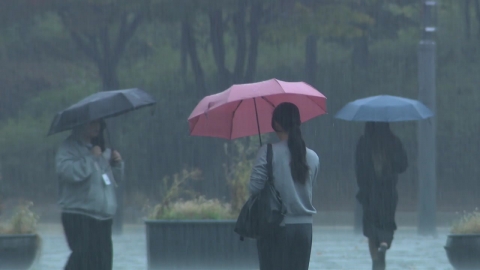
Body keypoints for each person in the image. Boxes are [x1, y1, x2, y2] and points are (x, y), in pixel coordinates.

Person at [249, 102, 320, 270]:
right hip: (304, 229)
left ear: (276, 124)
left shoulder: (267, 152)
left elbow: (254, 188)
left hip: (276, 226)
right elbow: (310, 188)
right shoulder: (313, 157)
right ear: (298, 122)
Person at [55, 120, 123, 270]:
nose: (96, 127)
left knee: (103, 263)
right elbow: (68, 173)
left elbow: (114, 180)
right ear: (80, 124)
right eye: (91, 123)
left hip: (103, 217)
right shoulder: (69, 147)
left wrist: (116, 163)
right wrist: (90, 158)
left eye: (99, 123)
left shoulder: (101, 147)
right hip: (79, 215)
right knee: (83, 259)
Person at [355, 122, 408, 270]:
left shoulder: (363, 142)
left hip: (369, 193)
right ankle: (384, 245)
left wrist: (364, 187)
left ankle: (375, 261)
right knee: (387, 224)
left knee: (371, 229)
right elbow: (403, 165)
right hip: (388, 192)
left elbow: (358, 169)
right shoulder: (394, 141)